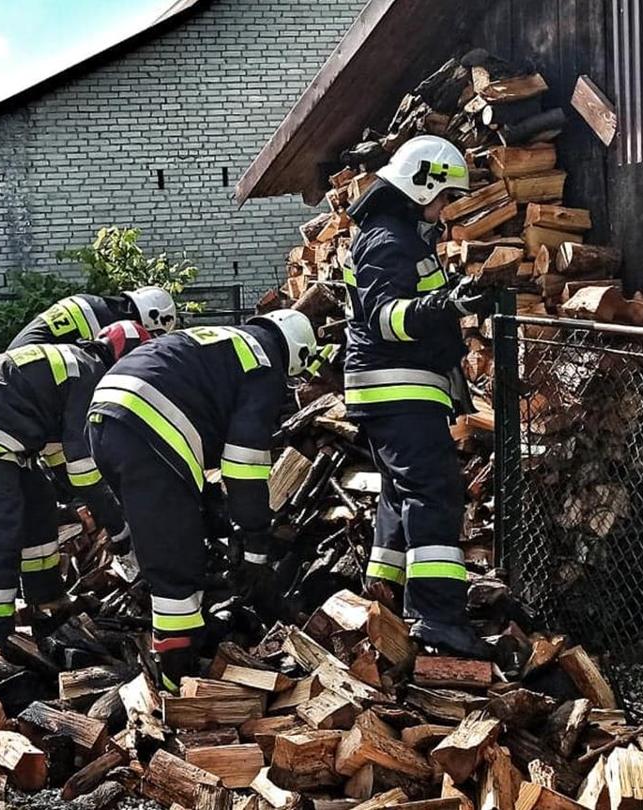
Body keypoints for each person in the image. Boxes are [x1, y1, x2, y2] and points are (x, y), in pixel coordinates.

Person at [85, 310, 317, 690]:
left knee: (178, 535)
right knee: (174, 561)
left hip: (105, 420)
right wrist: (255, 537)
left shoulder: (227, 341)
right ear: (299, 351)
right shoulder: (264, 364)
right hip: (150, 426)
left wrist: (213, 509)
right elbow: (245, 463)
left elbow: (201, 411)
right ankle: (180, 680)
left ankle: (191, 640)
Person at [343, 135, 496, 658]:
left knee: (400, 493)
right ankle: (436, 617)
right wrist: (448, 303)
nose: (447, 210)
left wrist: (453, 294)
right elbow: (388, 319)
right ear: (420, 184)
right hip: (398, 391)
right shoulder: (390, 240)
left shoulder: (395, 236)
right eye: (444, 196)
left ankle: (384, 600)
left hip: (392, 393)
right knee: (434, 494)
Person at [0, 321, 154, 650]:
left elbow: (61, 458)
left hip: (2, 431)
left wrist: (81, 497)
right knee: (1, 533)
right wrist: (119, 529)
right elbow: (84, 470)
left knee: (40, 503)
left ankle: (45, 601)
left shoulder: (75, 366)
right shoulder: (89, 375)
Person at [8, 287, 177, 348]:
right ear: (152, 316)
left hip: (14, 361)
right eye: (154, 334)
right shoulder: (111, 323)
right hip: (29, 372)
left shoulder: (96, 304)